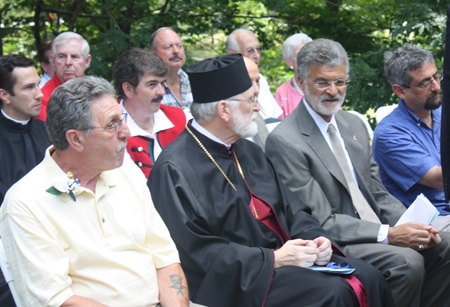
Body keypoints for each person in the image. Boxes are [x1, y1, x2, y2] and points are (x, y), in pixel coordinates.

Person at [148, 54, 395, 307]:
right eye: (251, 100)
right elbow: (195, 252)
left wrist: (317, 240)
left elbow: (294, 210)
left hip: (289, 260)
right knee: (333, 292)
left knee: (369, 277)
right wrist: (272, 259)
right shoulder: (174, 170)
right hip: (241, 279)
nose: (258, 107)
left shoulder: (248, 150)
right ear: (223, 110)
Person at [265, 38, 450, 307]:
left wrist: (411, 225)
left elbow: (377, 191)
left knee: (443, 244)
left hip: (378, 228)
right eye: (322, 82)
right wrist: (389, 235)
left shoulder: (352, 123)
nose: (333, 91)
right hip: (336, 242)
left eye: (340, 82)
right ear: (302, 83)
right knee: (407, 262)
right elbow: (319, 220)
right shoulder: (286, 140)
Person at [0, 76, 190, 307]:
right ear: (76, 139)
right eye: (112, 125)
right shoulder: (25, 203)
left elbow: (165, 257)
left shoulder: (125, 173)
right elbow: (56, 299)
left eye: (122, 120)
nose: (126, 132)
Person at [372, 44, 450, 230]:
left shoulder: (442, 112)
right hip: (428, 220)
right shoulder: (389, 134)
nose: (436, 87)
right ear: (400, 91)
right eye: (425, 83)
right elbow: (441, 180)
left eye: (436, 77)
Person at [113, 48, 186, 178]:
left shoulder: (177, 118)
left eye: (162, 84)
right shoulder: (109, 127)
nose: (161, 92)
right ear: (128, 89)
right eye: (152, 84)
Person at [0, 54, 51, 204]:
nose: (39, 94)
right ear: (5, 95)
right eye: (29, 87)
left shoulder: (49, 132)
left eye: (38, 84)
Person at [226, 29, 283, 119]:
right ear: (232, 55)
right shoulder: (225, 84)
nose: (257, 56)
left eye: (258, 49)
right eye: (250, 51)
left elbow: (275, 116)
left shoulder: (261, 80)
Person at [36, 31, 91, 121]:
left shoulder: (96, 94)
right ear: (52, 60)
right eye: (62, 57)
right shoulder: (42, 101)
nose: (68, 62)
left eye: (74, 56)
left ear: (87, 61)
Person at [150, 27, 193, 117]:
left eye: (179, 46)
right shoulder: (149, 89)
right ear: (153, 54)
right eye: (168, 47)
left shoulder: (193, 82)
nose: (176, 51)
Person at [275, 33, 312, 119]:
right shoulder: (282, 93)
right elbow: (279, 128)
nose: (306, 59)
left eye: (308, 54)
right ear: (289, 62)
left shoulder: (324, 84)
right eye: (300, 55)